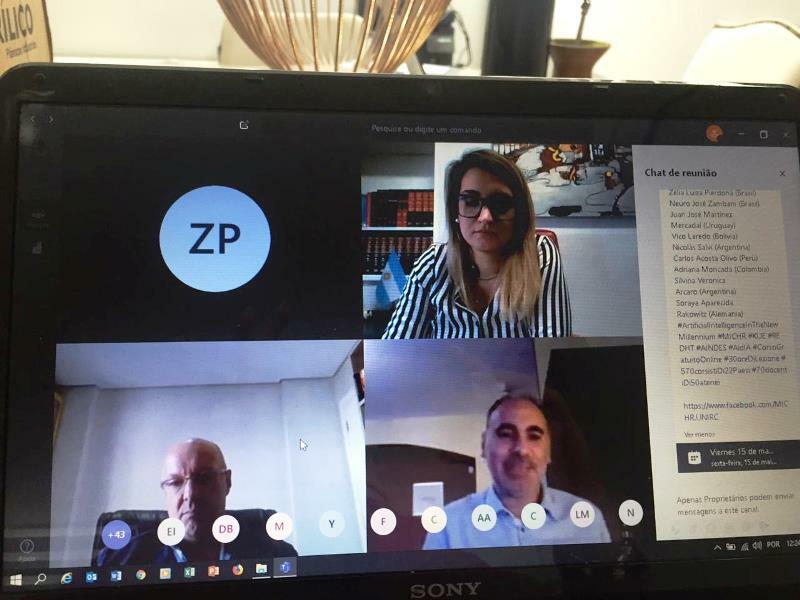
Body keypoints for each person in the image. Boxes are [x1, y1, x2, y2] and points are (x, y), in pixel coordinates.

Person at [383, 149, 571, 338]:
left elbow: (550, 348)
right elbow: (395, 348)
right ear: (455, 210)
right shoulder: (434, 263)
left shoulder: (539, 254)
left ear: (519, 212)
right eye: (471, 201)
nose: (485, 217)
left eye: (500, 203)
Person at [423, 395, 610, 550]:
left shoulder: (587, 520)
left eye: (534, 436)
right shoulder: (448, 527)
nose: (522, 449)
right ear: (484, 445)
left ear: (548, 452)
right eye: (506, 434)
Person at [95, 438, 296, 565]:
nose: (190, 494)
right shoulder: (118, 560)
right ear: (165, 491)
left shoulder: (277, 555)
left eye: (204, 478)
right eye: (175, 483)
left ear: (227, 482)